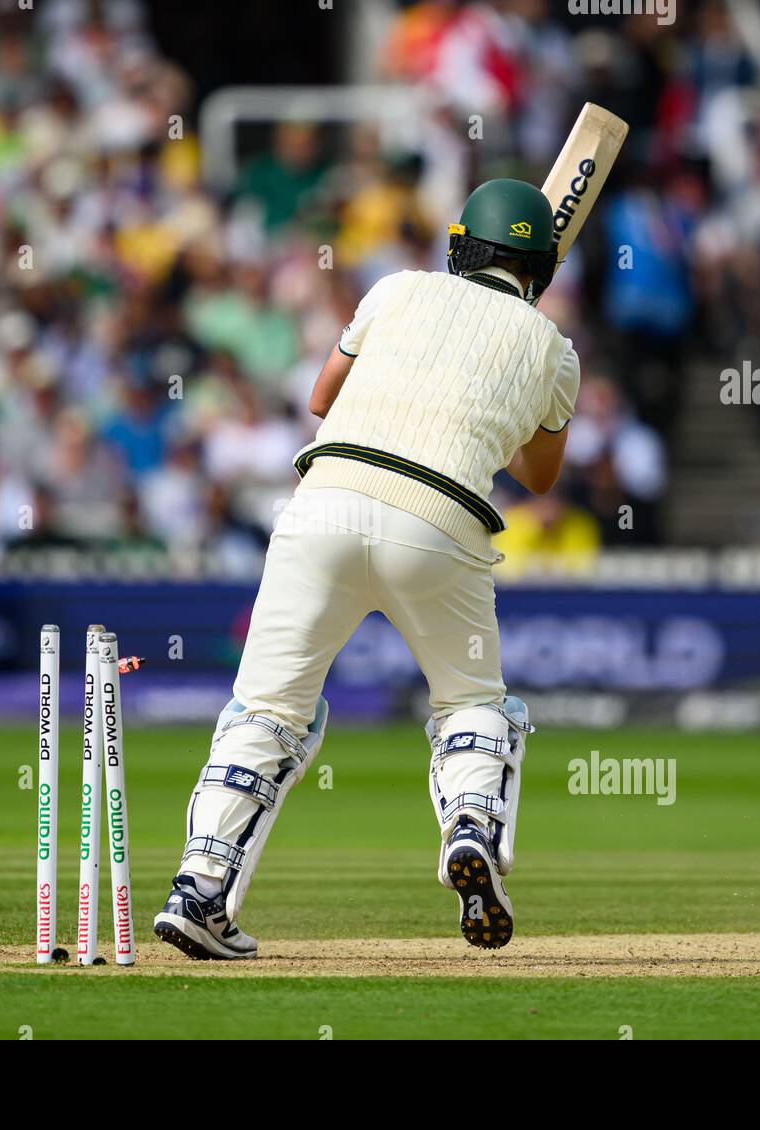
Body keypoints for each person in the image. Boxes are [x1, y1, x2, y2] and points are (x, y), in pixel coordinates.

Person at [153, 179, 581, 959]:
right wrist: (506, 394)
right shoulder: (553, 349)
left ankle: (199, 888)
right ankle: (472, 829)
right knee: (474, 704)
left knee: (268, 711)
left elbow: (324, 396)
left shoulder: (396, 290)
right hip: (442, 521)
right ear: (541, 267)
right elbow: (540, 476)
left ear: (460, 246)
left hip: (324, 502)